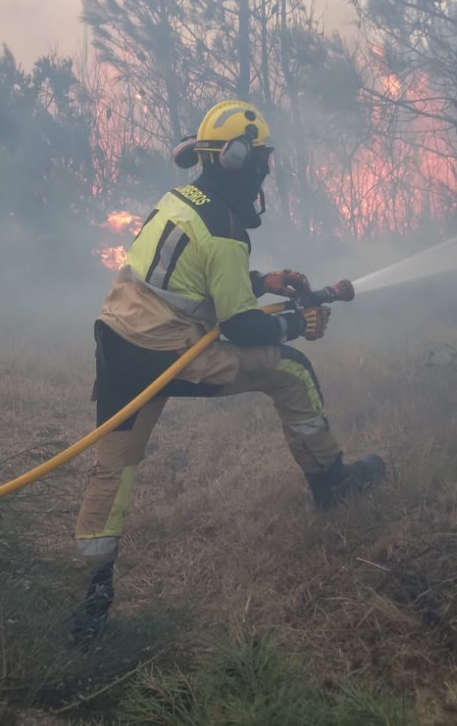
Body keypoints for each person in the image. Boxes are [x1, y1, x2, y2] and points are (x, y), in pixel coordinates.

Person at [73, 99, 385, 634]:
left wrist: (261, 280)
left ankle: (89, 607)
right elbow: (240, 326)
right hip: (169, 353)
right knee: (291, 371)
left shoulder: (182, 199)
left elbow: (190, 273)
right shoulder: (224, 228)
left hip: (119, 342)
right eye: (261, 158)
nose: (265, 168)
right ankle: (333, 484)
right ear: (237, 158)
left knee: (113, 469)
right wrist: (297, 325)